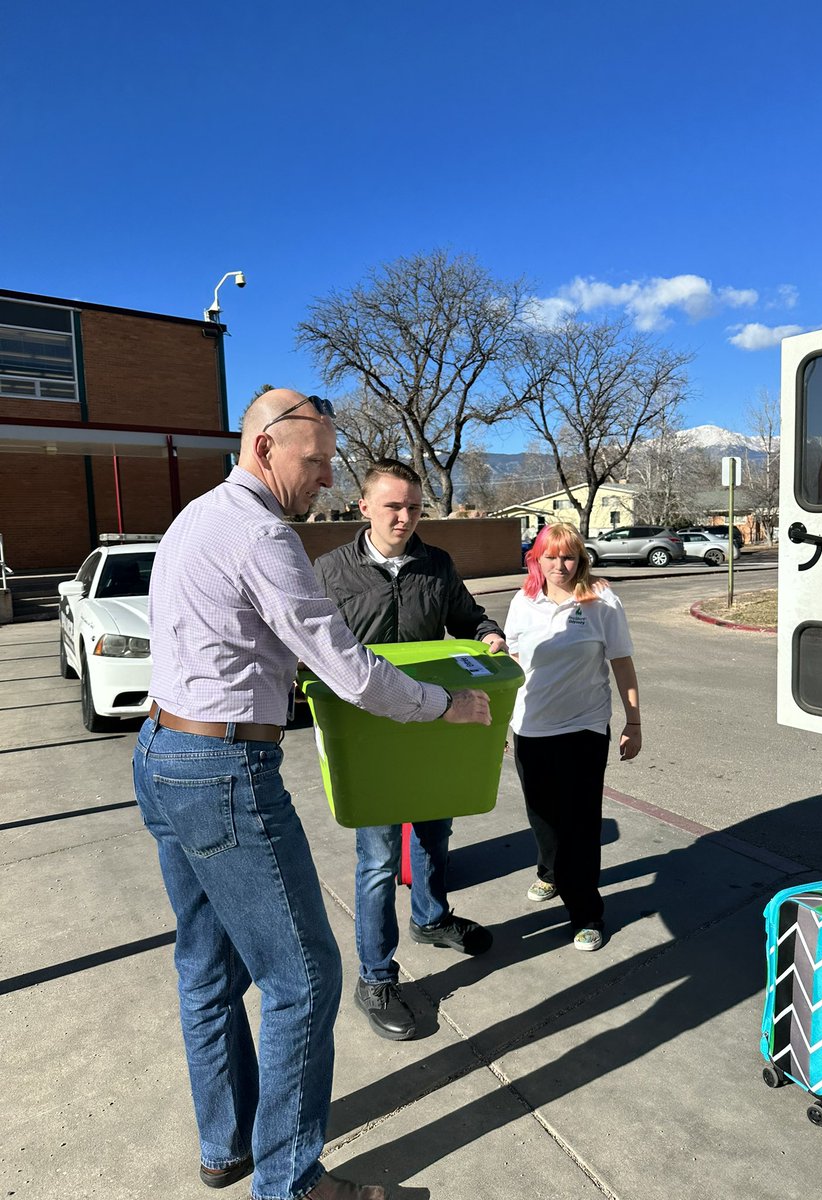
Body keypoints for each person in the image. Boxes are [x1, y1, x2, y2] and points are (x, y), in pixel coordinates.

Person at [131, 392, 490, 1200]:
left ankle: (228, 1148)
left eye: (331, 461)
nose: (326, 477)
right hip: (223, 771)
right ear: (264, 447)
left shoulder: (196, 516)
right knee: (306, 977)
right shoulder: (263, 533)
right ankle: (290, 1184)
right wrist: (447, 705)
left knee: (207, 966)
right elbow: (346, 667)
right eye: (316, 459)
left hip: (163, 753)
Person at [313, 459, 506, 1041]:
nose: (404, 517)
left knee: (432, 833)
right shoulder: (330, 572)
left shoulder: (436, 565)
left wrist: (488, 633)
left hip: (430, 721)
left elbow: (469, 618)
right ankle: (375, 977)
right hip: (366, 733)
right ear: (363, 506)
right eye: (393, 506)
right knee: (375, 860)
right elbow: (312, 646)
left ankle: (430, 918)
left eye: (414, 507)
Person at [505, 522, 641, 952]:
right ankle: (549, 871)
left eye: (569, 557)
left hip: (584, 726)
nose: (560, 565)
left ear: (581, 559)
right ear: (536, 560)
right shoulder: (522, 602)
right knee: (542, 816)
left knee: (581, 823)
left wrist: (633, 722)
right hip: (531, 726)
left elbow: (621, 662)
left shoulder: (602, 601)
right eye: (550, 556)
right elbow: (511, 662)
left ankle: (586, 912)